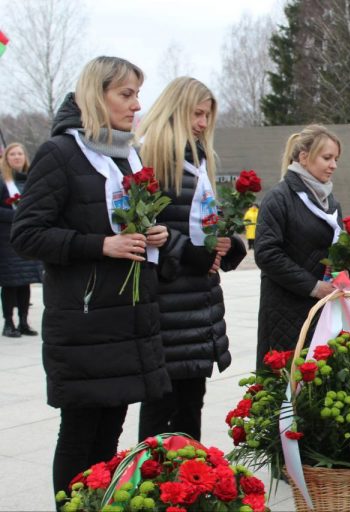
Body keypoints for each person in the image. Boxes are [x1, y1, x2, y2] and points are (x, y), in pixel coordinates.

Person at [10, 56, 171, 498]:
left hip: (125, 322)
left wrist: (157, 233)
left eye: (137, 94)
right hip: (83, 324)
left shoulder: (128, 155)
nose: (137, 105)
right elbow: (27, 234)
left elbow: (130, 223)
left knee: (109, 437)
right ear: (93, 96)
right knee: (80, 433)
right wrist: (100, 244)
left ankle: (99, 506)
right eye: (125, 94)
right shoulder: (61, 153)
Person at [135, 77, 246, 441]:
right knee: (161, 409)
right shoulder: (149, 156)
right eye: (196, 114)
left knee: (190, 403)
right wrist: (188, 251)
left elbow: (207, 219)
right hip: (168, 300)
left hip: (200, 300)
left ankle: (189, 485)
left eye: (207, 116)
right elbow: (147, 224)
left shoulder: (200, 161)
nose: (202, 123)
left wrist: (228, 245)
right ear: (175, 109)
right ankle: (152, 486)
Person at [253, 125, 342, 368]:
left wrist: (343, 275)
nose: (333, 165)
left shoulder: (331, 203)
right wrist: (313, 287)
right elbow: (266, 253)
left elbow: (340, 249)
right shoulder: (279, 198)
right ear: (304, 157)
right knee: (285, 390)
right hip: (286, 311)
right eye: (327, 158)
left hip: (323, 310)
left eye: (336, 159)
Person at [1, 142, 43, 337]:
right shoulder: (3, 181)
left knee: (25, 280)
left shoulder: (31, 179)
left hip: (27, 237)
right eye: (13, 154)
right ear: (6, 158)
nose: (17, 157)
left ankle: (24, 322)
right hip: (7, 238)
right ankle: (9, 323)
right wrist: (16, 215)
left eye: (20, 154)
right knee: (11, 282)